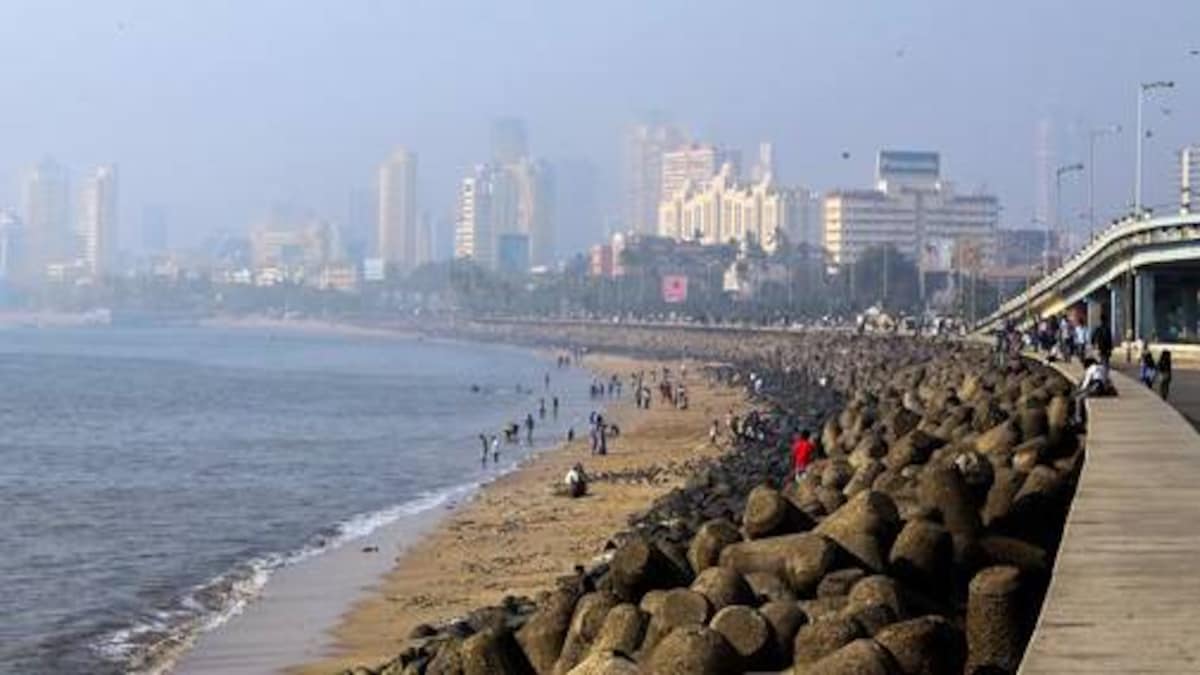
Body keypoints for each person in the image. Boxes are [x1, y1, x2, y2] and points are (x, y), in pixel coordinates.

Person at [1074, 357, 1111, 425]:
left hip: (1096, 387)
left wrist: (1079, 391)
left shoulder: (1091, 369)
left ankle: (1078, 419)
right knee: (1081, 396)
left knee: (1078, 398)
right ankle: (1080, 417)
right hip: (1103, 388)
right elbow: (1108, 380)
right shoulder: (1102, 367)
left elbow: (1086, 383)